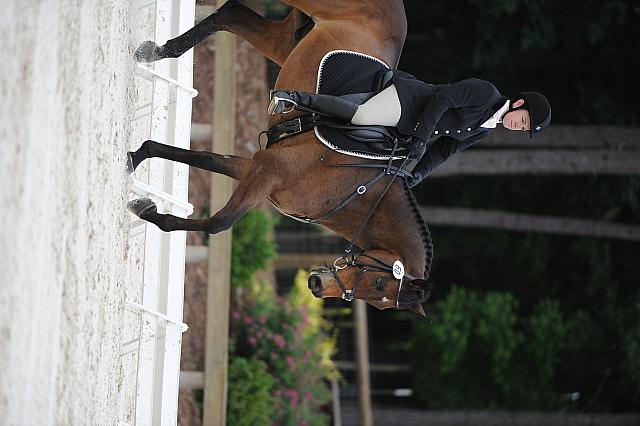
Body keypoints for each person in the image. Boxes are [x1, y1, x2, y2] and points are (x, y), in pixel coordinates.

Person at [268, 70, 551, 187]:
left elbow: (446, 149)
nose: (517, 126)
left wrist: (416, 175)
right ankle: (291, 98)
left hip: (411, 134)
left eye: (522, 128)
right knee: (363, 116)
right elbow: (443, 100)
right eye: (523, 120)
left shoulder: (485, 128)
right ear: (520, 103)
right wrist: (419, 139)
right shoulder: (486, 94)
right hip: (409, 102)